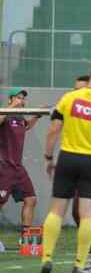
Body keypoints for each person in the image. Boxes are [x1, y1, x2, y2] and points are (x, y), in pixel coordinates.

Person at [40, 56, 91, 273]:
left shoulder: (70, 97)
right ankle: (79, 264)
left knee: (56, 210)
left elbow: (54, 129)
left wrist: (48, 157)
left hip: (67, 157)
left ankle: (46, 259)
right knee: (87, 214)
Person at [0, 88, 43, 246]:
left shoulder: (19, 117)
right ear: (11, 99)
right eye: (19, 98)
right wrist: (10, 108)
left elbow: (25, 126)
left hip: (18, 168)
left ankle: (27, 241)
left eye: (23, 99)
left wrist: (37, 116)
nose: (22, 101)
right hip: (4, 167)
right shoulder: (4, 113)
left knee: (31, 199)